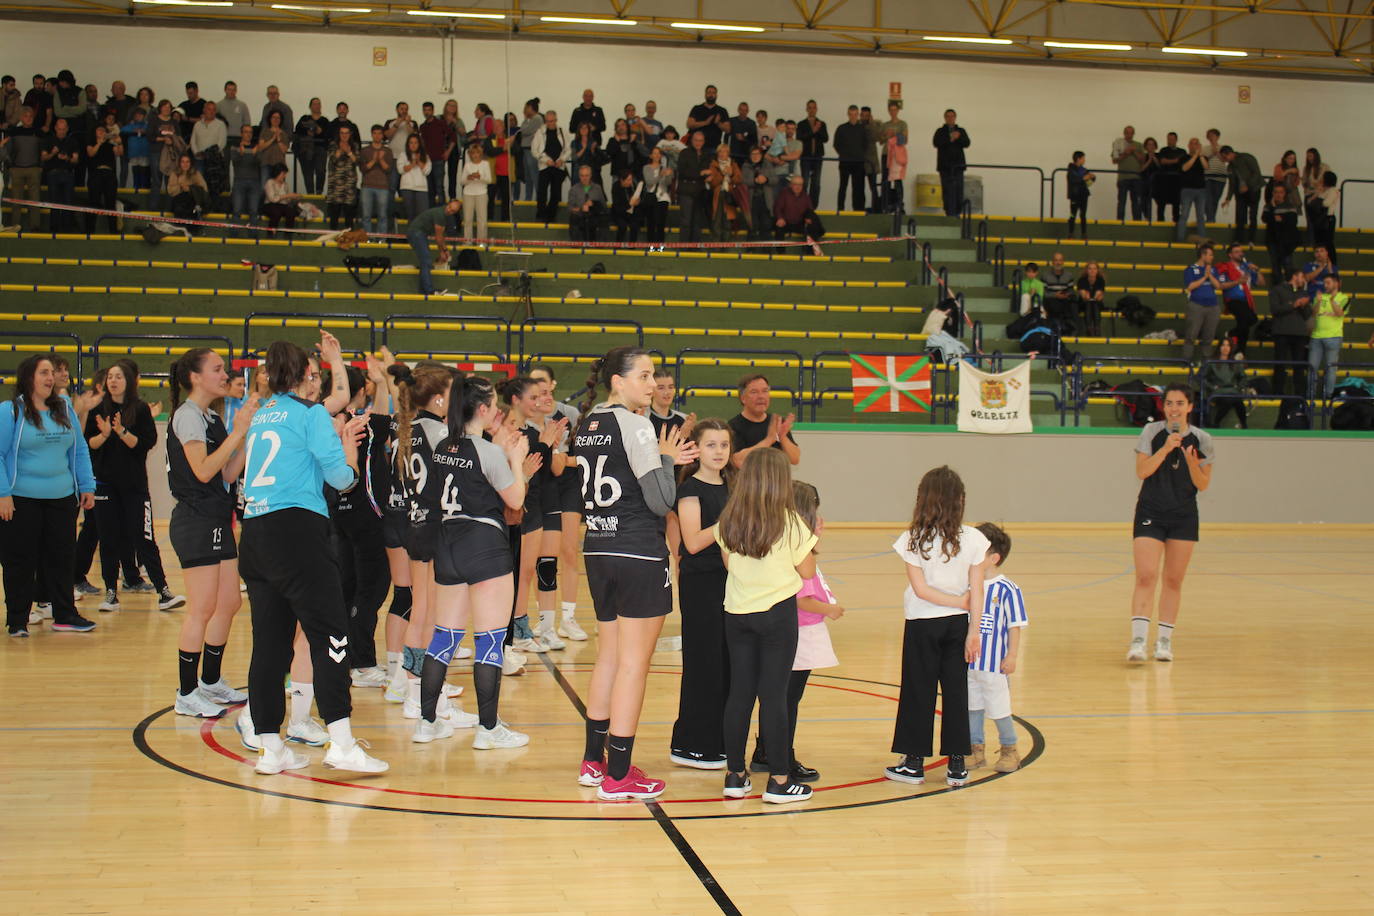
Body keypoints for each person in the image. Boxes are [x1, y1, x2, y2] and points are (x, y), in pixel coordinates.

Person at [240, 340, 387, 775]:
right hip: (296, 533)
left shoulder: (261, 415)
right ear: (305, 374)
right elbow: (341, 478)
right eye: (315, 370)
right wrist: (350, 452)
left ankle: (270, 746)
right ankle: (341, 742)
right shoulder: (309, 415)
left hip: (255, 532)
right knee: (332, 633)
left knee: (269, 643)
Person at [575, 346, 697, 801]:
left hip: (598, 549)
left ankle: (594, 761)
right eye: (643, 376)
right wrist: (667, 457)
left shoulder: (589, 424)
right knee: (633, 664)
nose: (651, 385)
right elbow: (661, 501)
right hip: (638, 553)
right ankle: (620, 773)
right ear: (618, 382)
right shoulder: (637, 425)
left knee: (609, 657)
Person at [414, 372, 530, 747]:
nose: (497, 410)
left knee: (443, 637)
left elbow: (433, 496)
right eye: (494, 405)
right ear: (482, 409)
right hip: (483, 544)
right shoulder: (489, 452)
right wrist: (515, 459)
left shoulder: (443, 446)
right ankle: (489, 728)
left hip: (447, 543)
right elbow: (515, 500)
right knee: (490, 640)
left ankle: (427, 721)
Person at [715, 449, 817, 805]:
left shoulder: (729, 519)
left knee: (739, 694)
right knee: (773, 696)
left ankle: (734, 775)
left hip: (738, 614)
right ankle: (778, 780)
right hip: (777, 614)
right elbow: (807, 572)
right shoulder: (790, 522)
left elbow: (729, 564)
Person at [164, 349, 258, 714]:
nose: (224, 374)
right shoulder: (188, 417)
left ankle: (211, 681)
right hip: (196, 519)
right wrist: (236, 433)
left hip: (217, 518)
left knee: (229, 603)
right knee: (201, 608)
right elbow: (202, 471)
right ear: (195, 377)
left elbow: (228, 474)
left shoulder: (212, 418)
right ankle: (186, 694)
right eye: (217, 369)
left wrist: (245, 434)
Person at [886, 465, 987, 787]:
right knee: (957, 692)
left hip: (922, 624)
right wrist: (973, 630)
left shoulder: (912, 539)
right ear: (960, 500)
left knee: (919, 690)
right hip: (958, 626)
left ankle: (913, 763)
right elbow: (977, 590)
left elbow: (921, 590)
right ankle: (957, 765)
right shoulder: (974, 538)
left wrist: (960, 605)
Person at [749, 479, 840, 784]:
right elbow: (803, 598)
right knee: (787, 700)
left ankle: (765, 751)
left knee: (779, 697)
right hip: (799, 635)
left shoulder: (787, 543)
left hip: (791, 632)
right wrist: (829, 609)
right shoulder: (799, 552)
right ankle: (782, 756)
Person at [0, 355, 97, 636]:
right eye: (43, 372)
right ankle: (17, 619)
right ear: (29, 377)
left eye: (51, 373)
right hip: (21, 499)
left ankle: (64, 614)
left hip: (62, 498)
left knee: (62, 557)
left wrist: (87, 485)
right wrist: (3, 493)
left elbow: (79, 449)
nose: (50, 378)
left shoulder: (64, 407)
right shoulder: (10, 411)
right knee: (20, 560)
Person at [85, 359, 182, 613]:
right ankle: (110, 593)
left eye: (119, 376)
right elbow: (89, 445)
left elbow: (144, 444)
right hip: (105, 486)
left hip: (134, 487)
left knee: (144, 538)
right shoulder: (98, 410)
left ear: (128, 381)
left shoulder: (139, 410)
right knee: (108, 540)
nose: (113, 381)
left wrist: (120, 431)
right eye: (110, 377)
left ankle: (163, 591)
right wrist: (105, 434)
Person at [1129, 384, 1213, 663]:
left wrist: (1191, 463)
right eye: (1169, 403)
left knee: (1174, 579)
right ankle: (1138, 640)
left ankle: (1164, 642)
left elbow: (1203, 484)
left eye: (1179, 403)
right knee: (1146, 575)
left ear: (1190, 407)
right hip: (1151, 510)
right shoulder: (1151, 433)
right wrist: (1165, 449)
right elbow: (1142, 471)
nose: (1173, 409)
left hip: (1183, 516)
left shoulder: (1203, 440)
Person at [668, 419, 732, 770]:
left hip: (732, 583)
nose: (719, 451)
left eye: (724, 445)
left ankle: (718, 740)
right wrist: (732, 520)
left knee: (727, 663)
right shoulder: (689, 489)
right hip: (702, 583)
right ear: (697, 449)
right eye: (711, 445)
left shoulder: (732, 485)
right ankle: (691, 743)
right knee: (704, 663)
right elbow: (692, 542)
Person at [524, 364, 589, 643]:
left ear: (551, 384)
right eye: (534, 382)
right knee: (541, 556)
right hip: (541, 483)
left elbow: (582, 456)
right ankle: (543, 618)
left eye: (544, 381)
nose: (541, 387)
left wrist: (563, 457)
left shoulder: (571, 414)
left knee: (569, 550)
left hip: (568, 484)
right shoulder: (527, 420)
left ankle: (569, 617)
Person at [966, 522, 1026, 774]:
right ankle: (975, 749)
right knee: (972, 707)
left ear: (994, 558)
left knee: (1000, 708)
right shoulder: (967, 586)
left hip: (994, 665)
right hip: (970, 664)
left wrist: (1012, 655)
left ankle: (1009, 748)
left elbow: (1015, 625)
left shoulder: (1007, 589)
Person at [728, 374, 799, 468]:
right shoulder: (733, 426)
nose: (761, 396)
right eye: (754, 392)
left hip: (777, 480)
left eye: (765, 391)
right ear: (743, 398)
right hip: (748, 481)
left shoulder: (778, 422)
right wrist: (769, 440)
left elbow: (795, 459)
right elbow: (737, 461)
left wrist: (783, 437)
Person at [1269, 267, 1313, 398]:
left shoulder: (1303, 293)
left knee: (1299, 365)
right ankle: (1277, 392)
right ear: (1295, 276)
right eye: (1302, 276)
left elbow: (1307, 315)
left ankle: (1300, 394)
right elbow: (1275, 309)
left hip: (1299, 333)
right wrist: (1294, 305)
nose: (1303, 280)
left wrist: (1304, 305)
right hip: (1281, 331)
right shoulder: (1277, 290)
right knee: (1280, 363)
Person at [1213, 242, 1263, 354]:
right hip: (1233, 299)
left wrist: (1257, 270)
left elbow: (1261, 283)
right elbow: (1221, 285)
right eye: (1237, 252)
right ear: (1230, 255)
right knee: (1245, 322)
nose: (1240, 254)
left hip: (1246, 300)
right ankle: (1240, 352)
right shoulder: (1224, 267)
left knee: (1249, 321)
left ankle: (1231, 336)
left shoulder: (1247, 267)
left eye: (1241, 251)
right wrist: (1237, 282)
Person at [407, 199, 461, 297]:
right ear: (447, 204)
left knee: (425, 262)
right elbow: (439, 237)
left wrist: (442, 251)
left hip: (419, 234)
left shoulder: (442, 215)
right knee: (426, 261)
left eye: (453, 211)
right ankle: (429, 290)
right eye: (449, 208)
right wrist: (444, 251)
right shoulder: (440, 214)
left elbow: (439, 237)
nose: (449, 211)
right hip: (417, 233)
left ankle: (424, 290)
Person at [1181, 243, 1224, 363]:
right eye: (1210, 255)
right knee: (1191, 335)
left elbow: (1218, 286)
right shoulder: (1190, 269)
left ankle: (1206, 362)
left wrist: (1209, 274)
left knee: (1209, 336)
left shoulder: (1213, 269)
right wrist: (1204, 277)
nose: (1212, 257)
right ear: (1202, 255)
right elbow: (1190, 286)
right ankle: (1186, 361)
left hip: (1213, 306)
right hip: (1196, 305)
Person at [1309, 274, 1349, 401]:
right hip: (1316, 336)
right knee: (1312, 367)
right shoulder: (1320, 297)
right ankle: (1311, 396)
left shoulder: (1344, 297)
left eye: (1328, 283)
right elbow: (1314, 313)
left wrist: (1332, 301)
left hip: (1334, 337)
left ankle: (1328, 396)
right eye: (1324, 283)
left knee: (1331, 369)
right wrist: (1318, 302)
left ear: (1336, 283)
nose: (1325, 285)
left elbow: (1340, 313)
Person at [1219, 145, 1262, 245]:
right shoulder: (1230, 167)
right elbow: (1232, 184)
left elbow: (1256, 173)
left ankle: (1251, 240)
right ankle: (1239, 239)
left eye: (1224, 157)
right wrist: (1228, 199)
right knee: (1240, 216)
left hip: (1253, 190)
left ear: (1229, 154)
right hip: (1240, 193)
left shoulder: (1246, 158)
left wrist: (1248, 185)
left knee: (1252, 215)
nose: (1224, 160)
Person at [932, 108, 970, 218]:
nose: (950, 118)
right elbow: (936, 142)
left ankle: (958, 212)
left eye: (952, 116)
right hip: (945, 167)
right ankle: (949, 212)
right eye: (948, 116)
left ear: (955, 118)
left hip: (958, 167)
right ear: (945, 118)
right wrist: (950, 138)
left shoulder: (961, 130)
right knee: (947, 191)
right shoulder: (940, 131)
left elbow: (967, 143)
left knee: (958, 191)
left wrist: (958, 138)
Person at [532, 110, 568, 223]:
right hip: (545, 167)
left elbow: (568, 149)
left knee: (556, 193)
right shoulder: (540, 132)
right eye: (547, 121)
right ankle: (541, 214)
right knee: (541, 192)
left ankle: (552, 216)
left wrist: (562, 159)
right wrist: (545, 160)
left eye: (552, 121)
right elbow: (534, 150)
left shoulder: (562, 131)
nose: (550, 123)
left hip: (558, 167)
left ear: (556, 120)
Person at [1204, 337, 1248, 429]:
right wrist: (1212, 387)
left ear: (1231, 348)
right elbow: (1201, 378)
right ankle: (1216, 423)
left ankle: (1244, 425)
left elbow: (1243, 377)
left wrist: (1238, 387)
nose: (1225, 347)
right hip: (1218, 391)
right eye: (1223, 345)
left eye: (1228, 345)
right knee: (1229, 400)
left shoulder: (1235, 363)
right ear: (1219, 347)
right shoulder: (1211, 362)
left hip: (1233, 391)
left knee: (1238, 401)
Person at [772, 173, 825, 250]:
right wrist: (780, 218)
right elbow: (777, 208)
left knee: (812, 225)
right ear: (791, 185)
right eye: (796, 184)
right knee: (779, 227)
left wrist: (808, 218)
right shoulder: (784, 193)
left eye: (800, 185)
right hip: (785, 222)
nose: (798, 187)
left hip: (799, 223)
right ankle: (780, 253)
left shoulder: (805, 195)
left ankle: (810, 251)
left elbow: (810, 209)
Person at [676, 129, 711, 244]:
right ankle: (683, 247)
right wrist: (700, 173)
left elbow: (709, 170)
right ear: (691, 140)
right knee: (686, 221)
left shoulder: (707, 154)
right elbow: (682, 171)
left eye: (701, 141)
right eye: (696, 140)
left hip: (700, 192)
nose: (698, 143)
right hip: (686, 191)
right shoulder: (684, 153)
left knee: (697, 222)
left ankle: (695, 247)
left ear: (704, 141)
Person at [417, 101, 454, 206]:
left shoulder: (440, 123)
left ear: (433, 111)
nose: (427, 112)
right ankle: (431, 212)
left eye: (429, 110)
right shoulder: (422, 127)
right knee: (430, 187)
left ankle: (443, 212)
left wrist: (448, 152)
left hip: (439, 160)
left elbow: (453, 138)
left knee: (439, 187)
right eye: (425, 110)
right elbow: (422, 143)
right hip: (427, 161)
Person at [359, 124, 394, 235]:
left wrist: (381, 159)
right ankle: (367, 240)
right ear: (371, 134)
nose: (377, 136)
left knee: (382, 216)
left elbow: (388, 169)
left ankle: (381, 240)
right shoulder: (365, 150)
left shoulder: (388, 151)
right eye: (375, 133)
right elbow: (363, 169)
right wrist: (374, 160)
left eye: (379, 133)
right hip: (367, 186)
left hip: (383, 186)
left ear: (383, 135)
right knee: (366, 215)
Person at [323, 125, 359, 230]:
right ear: (339, 134)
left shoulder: (354, 145)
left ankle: (349, 237)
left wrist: (349, 152)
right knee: (334, 214)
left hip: (349, 185)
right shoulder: (333, 145)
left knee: (349, 216)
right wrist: (340, 149)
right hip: (335, 186)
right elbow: (333, 159)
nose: (344, 135)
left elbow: (357, 161)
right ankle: (333, 236)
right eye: (342, 133)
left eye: (346, 133)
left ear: (350, 134)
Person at [1263, 184, 1301, 284]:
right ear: (1273, 193)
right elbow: (1265, 218)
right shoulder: (1268, 206)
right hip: (1272, 240)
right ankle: (1277, 288)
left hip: (1287, 241)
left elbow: (1292, 221)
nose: (1278, 195)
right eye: (1276, 192)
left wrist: (1280, 219)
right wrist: (1273, 210)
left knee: (1288, 264)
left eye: (1280, 192)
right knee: (1275, 265)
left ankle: (1290, 287)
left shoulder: (1290, 206)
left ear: (1284, 194)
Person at [833, 104, 867, 212]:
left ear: (858, 115)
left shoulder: (863, 128)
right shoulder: (841, 128)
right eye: (851, 114)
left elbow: (866, 145)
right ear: (848, 114)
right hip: (845, 162)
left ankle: (858, 210)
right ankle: (840, 209)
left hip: (858, 163)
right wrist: (844, 155)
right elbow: (836, 144)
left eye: (855, 114)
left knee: (858, 188)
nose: (853, 116)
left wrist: (859, 155)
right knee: (843, 186)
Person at [1174, 137, 1208, 243]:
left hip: (1201, 190)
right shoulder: (1183, 157)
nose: (1195, 146)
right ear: (1188, 145)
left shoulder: (1204, 157)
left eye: (1197, 144)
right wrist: (1195, 156)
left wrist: (1200, 155)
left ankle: (1202, 240)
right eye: (1192, 144)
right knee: (1184, 215)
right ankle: (1180, 239)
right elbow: (1185, 168)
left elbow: (1206, 167)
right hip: (1187, 190)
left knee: (1201, 216)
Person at [228, 125, 262, 230]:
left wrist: (254, 154)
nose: (248, 134)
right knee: (237, 210)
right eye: (246, 132)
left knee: (254, 211)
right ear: (241, 133)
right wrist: (242, 154)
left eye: (250, 132)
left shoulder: (256, 147)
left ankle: (253, 236)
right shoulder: (235, 147)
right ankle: (234, 236)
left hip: (255, 181)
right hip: (239, 180)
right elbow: (235, 161)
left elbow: (259, 162)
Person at [294, 98, 329, 195]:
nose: (316, 106)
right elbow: (297, 130)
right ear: (310, 106)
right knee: (307, 173)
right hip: (306, 149)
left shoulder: (325, 121)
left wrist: (319, 130)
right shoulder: (304, 118)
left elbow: (328, 135)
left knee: (320, 171)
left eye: (318, 104)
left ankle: (318, 192)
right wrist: (307, 132)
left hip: (320, 149)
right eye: (314, 104)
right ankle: (310, 193)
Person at [1110, 125, 1146, 221]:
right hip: (1123, 178)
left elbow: (1143, 160)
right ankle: (1119, 222)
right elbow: (1114, 160)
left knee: (1136, 202)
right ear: (1124, 133)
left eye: (1131, 133)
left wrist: (1134, 152)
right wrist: (1125, 153)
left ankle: (1137, 223)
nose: (1129, 135)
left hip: (1136, 178)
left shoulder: (1139, 145)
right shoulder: (1118, 144)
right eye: (1127, 132)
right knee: (1121, 202)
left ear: (1133, 134)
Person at [796, 99, 828, 203]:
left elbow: (825, 139)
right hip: (806, 157)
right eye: (809, 108)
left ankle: (813, 206)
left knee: (816, 183)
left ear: (817, 109)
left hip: (818, 157)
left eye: (814, 107)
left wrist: (817, 131)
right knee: (804, 182)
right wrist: (812, 131)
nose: (812, 110)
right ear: (806, 109)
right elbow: (799, 138)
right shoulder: (801, 124)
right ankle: (803, 204)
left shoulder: (822, 123)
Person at [459, 140, 492, 240]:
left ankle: (481, 242)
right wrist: (469, 178)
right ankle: (467, 241)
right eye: (473, 153)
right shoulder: (467, 165)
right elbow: (462, 182)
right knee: (467, 220)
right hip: (468, 194)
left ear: (481, 153)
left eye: (477, 153)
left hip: (481, 193)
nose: (475, 155)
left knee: (482, 220)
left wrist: (480, 176)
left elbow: (489, 180)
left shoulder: (485, 164)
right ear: (470, 154)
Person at [641, 146, 673, 246]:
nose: (656, 155)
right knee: (651, 222)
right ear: (651, 155)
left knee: (661, 223)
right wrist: (660, 175)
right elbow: (649, 182)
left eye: (658, 153)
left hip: (663, 197)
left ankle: (660, 248)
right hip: (651, 197)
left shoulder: (665, 168)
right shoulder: (646, 168)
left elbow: (668, 183)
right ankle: (650, 246)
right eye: (654, 153)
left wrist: (668, 175)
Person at [648, 367, 691, 438]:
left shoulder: (683, 419)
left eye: (670, 387)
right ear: (651, 390)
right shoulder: (644, 418)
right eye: (661, 388)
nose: (667, 392)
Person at [398, 133, 432, 222]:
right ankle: (411, 235)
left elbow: (427, 171)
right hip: (407, 188)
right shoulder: (403, 155)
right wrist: (412, 163)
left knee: (423, 216)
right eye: (411, 143)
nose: (413, 145)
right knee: (410, 215)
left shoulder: (426, 156)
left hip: (421, 189)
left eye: (416, 143)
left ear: (419, 144)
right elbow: (400, 170)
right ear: (408, 144)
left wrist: (419, 161)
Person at [568, 164, 606, 243]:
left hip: (594, 215)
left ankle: (601, 245)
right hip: (579, 216)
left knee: (604, 219)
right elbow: (570, 208)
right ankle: (575, 244)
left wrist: (594, 204)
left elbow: (603, 206)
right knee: (573, 217)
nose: (584, 178)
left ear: (591, 175)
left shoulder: (597, 188)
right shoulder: (573, 189)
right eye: (582, 176)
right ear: (579, 176)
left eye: (586, 175)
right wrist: (581, 208)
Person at [1153, 133, 1185, 223]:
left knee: (1176, 204)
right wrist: (1176, 160)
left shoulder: (1182, 151)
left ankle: (1177, 224)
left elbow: (1184, 164)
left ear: (1176, 140)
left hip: (1177, 181)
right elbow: (1163, 161)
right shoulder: (1163, 150)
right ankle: (1160, 224)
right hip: (1164, 180)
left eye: (1172, 139)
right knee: (1161, 204)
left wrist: (1170, 161)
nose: (1170, 141)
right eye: (1168, 139)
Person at [686, 84, 727, 152]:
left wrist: (718, 123)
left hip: (714, 147)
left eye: (713, 93)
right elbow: (689, 124)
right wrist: (705, 123)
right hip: (696, 147)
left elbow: (728, 129)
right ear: (705, 94)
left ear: (716, 95)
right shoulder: (697, 108)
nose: (711, 95)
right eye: (709, 92)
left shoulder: (722, 110)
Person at [261, 163, 301, 233]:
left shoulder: (285, 184)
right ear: (277, 173)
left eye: (285, 174)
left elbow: (287, 201)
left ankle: (288, 234)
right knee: (276, 212)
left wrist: (293, 197)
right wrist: (288, 195)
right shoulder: (270, 182)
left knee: (291, 212)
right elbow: (272, 199)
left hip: (282, 205)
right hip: (270, 205)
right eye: (283, 174)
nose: (285, 176)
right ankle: (271, 234)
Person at [1040, 252, 1076, 326]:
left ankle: (1071, 329)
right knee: (1054, 304)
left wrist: (1066, 295)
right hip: (1051, 300)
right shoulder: (1045, 276)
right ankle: (1058, 328)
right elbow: (1043, 293)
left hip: (1065, 300)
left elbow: (1071, 291)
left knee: (1073, 305)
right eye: (1056, 260)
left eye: (1060, 260)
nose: (1058, 263)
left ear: (1063, 262)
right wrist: (1055, 295)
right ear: (1052, 262)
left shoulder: (1069, 275)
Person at [610, 169, 645, 244]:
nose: (630, 182)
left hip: (632, 213)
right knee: (622, 226)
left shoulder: (633, 185)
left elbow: (640, 196)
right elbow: (617, 206)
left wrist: (638, 202)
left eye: (631, 179)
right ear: (622, 180)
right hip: (619, 213)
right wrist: (630, 204)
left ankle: (632, 246)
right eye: (628, 180)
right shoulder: (616, 187)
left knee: (635, 225)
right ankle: (618, 245)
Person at [1202, 128, 1228, 222]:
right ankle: (1211, 220)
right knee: (1207, 200)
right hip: (1208, 177)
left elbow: (1224, 159)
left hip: (1220, 178)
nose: (1211, 137)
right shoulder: (1204, 148)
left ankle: (1211, 219)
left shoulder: (1223, 148)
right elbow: (1203, 160)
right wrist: (1211, 152)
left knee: (1215, 200)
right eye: (1209, 135)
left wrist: (1216, 151)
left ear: (1217, 136)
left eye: (1213, 135)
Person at [1066, 151, 1093, 239]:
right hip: (1075, 195)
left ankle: (1084, 233)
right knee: (1072, 215)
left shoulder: (1084, 170)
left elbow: (1089, 182)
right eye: (1083, 158)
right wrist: (1083, 178)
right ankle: (1071, 233)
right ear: (1078, 159)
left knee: (1083, 215)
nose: (1084, 160)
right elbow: (1074, 180)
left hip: (1083, 195)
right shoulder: (1071, 170)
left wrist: (1091, 178)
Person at [1075, 261, 1106, 335]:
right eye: (1090, 269)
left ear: (1097, 270)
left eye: (1094, 269)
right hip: (1083, 303)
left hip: (1096, 303)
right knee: (1089, 303)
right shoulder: (1081, 280)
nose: (1092, 271)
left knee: (1094, 304)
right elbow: (1084, 296)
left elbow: (1099, 296)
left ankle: (1095, 328)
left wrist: (1093, 297)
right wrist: (1087, 296)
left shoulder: (1100, 280)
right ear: (1086, 270)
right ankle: (1090, 328)